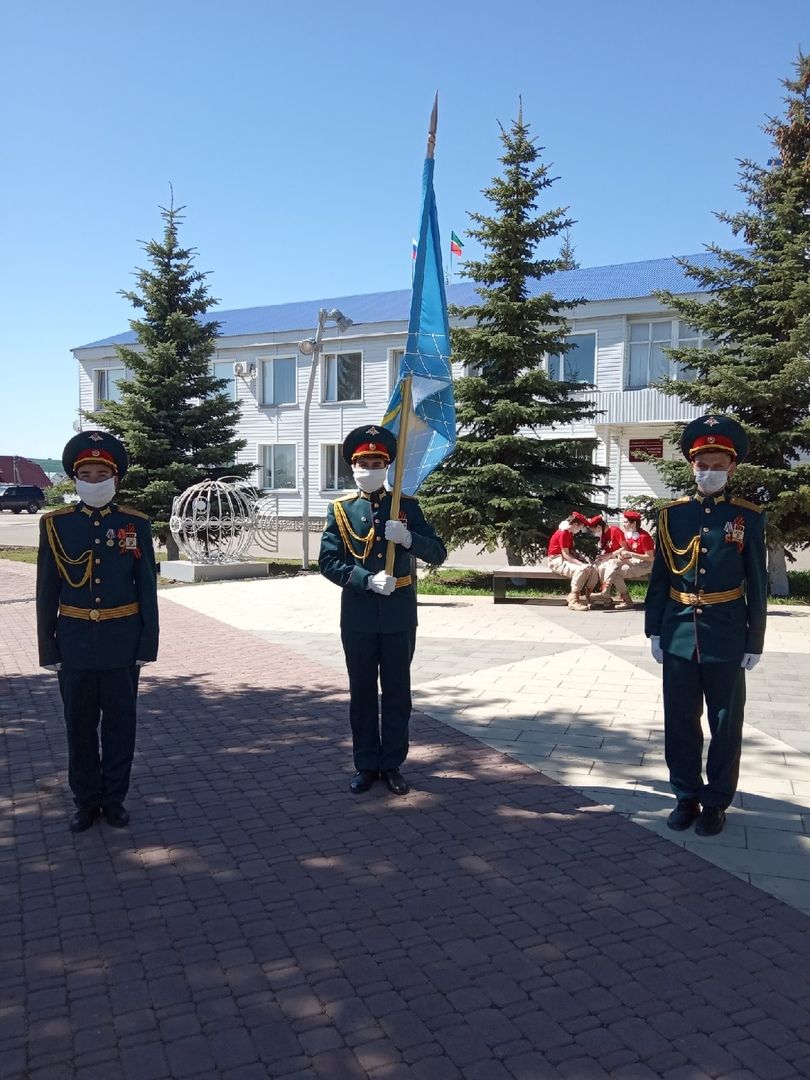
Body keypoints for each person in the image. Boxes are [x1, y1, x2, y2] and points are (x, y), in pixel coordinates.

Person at [645, 414, 767, 836]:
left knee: (725, 724)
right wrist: (655, 630)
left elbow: (757, 581)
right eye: (703, 464)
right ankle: (685, 796)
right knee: (680, 722)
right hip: (679, 632)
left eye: (718, 465)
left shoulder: (747, 518)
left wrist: (755, 638)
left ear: (732, 468)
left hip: (727, 635)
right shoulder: (670, 516)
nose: (709, 472)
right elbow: (661, 577)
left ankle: (716, 802)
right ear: (691, 466)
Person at [36, 431, 159, 832]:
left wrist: (147, 642)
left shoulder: (134, 524)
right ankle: (86, 802)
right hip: (73, 643)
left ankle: (114, 799)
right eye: (85, 474)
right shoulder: (56, 526)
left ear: (115, 479)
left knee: (122, 725)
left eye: (100, 473)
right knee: (80, 726)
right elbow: (46, 590)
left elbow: (146, 588)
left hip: (122, 641)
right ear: (74, 479)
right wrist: (48, 649)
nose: (93, 480)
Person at [319, 424, 447, 796]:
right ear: (353, 467)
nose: (370, 467)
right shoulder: (341, 510)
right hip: (358, 615)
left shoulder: (406, 507)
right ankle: (365, 764)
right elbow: (328, 562)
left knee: (396, 692)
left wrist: (408, 538)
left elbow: (438, 552)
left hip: (398, 615)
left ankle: (391, 763)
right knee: (361, 692)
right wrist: (364, 579)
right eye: (364, 462)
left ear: (387, 466)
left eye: (377, 462)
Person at [596, 510, 655, 609]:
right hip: (632, 562)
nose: (623, 524)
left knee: (616, 572)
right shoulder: (629, 535)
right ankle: (610, 593)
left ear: (634, 523)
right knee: (611, 564)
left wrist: (630, 554)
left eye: (626, 522)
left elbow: (650, 558)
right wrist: (621, 555)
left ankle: (620, 598)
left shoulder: (644, 536)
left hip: (645, 564)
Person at [546, 512, 599, 610]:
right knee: (581, 570)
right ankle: (573, 601)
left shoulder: (568, 533)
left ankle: (587, 596)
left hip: (562, 559)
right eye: (580, 528)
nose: (579, 530)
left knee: (592, 568)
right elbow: (566, 555)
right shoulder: (563, 533)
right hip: (556, 561)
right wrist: (580, 564)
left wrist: (581, 557)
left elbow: (569, 551)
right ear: (575, 525)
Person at [586, 514, 625, 607]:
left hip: (619, 558)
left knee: (606, 567)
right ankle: (589, 594)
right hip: (608, 558)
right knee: (594, 567)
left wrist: (610, 555)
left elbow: (625, 547)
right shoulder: (603, 535)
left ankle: (606, 594)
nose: (594, 533)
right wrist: (602, 556)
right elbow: (605, 550)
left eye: (594, 530)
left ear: (599, 527)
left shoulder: (615, 531)